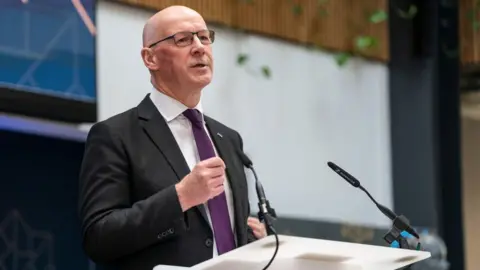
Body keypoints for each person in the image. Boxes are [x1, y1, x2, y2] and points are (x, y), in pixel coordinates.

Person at [78, 5, 266, 270]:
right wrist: (180, 197)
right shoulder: (115, 135)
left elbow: (216, 237)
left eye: (205, 37)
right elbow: (99, 237)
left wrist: (255, 242)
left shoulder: (228, 139)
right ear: (150, 58)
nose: (200, 47)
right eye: (184, 39)